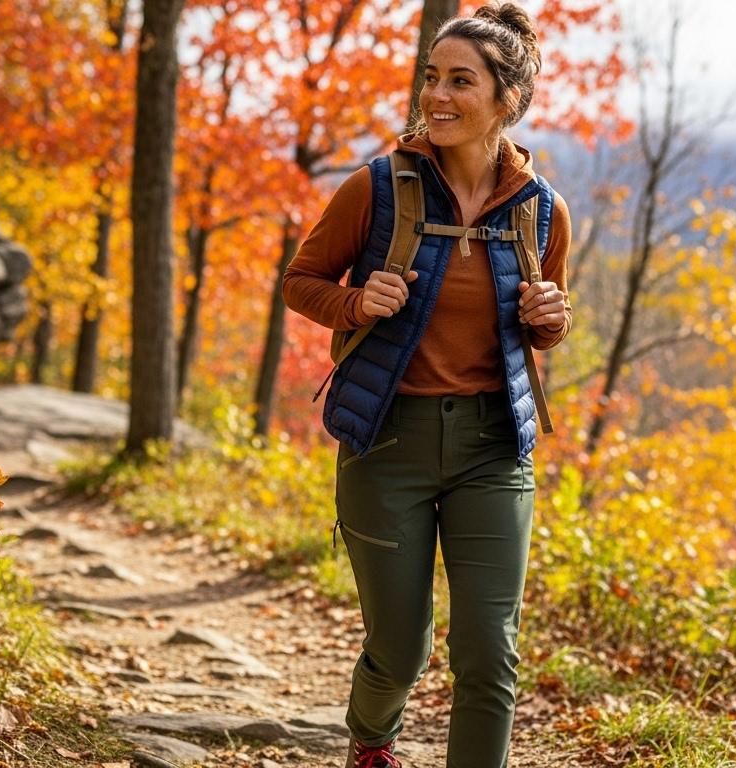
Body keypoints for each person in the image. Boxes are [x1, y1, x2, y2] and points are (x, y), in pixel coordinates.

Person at [281, 3, 571, 766]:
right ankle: (371, 741)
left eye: (460, 81)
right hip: (388, 441)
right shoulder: (375, 189)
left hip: (493, 447)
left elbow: (541, 326)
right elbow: (301, 280)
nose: (436, 95)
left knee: (488, 653)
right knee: (399, 647)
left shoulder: (542, 212)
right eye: (432, 78)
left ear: (508, 99)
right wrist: (355, 301)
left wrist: (550, 316)